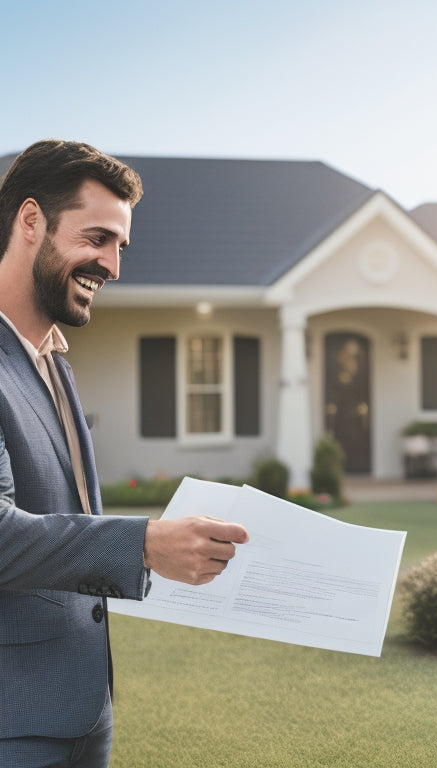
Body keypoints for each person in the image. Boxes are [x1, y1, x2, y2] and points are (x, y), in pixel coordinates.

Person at [0, 139, 250, 767]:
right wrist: (144, 544)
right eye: (97, 238)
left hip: (83, 710)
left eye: (119, 246)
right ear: (31, 222)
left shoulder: (52, 363)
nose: (112, 265)